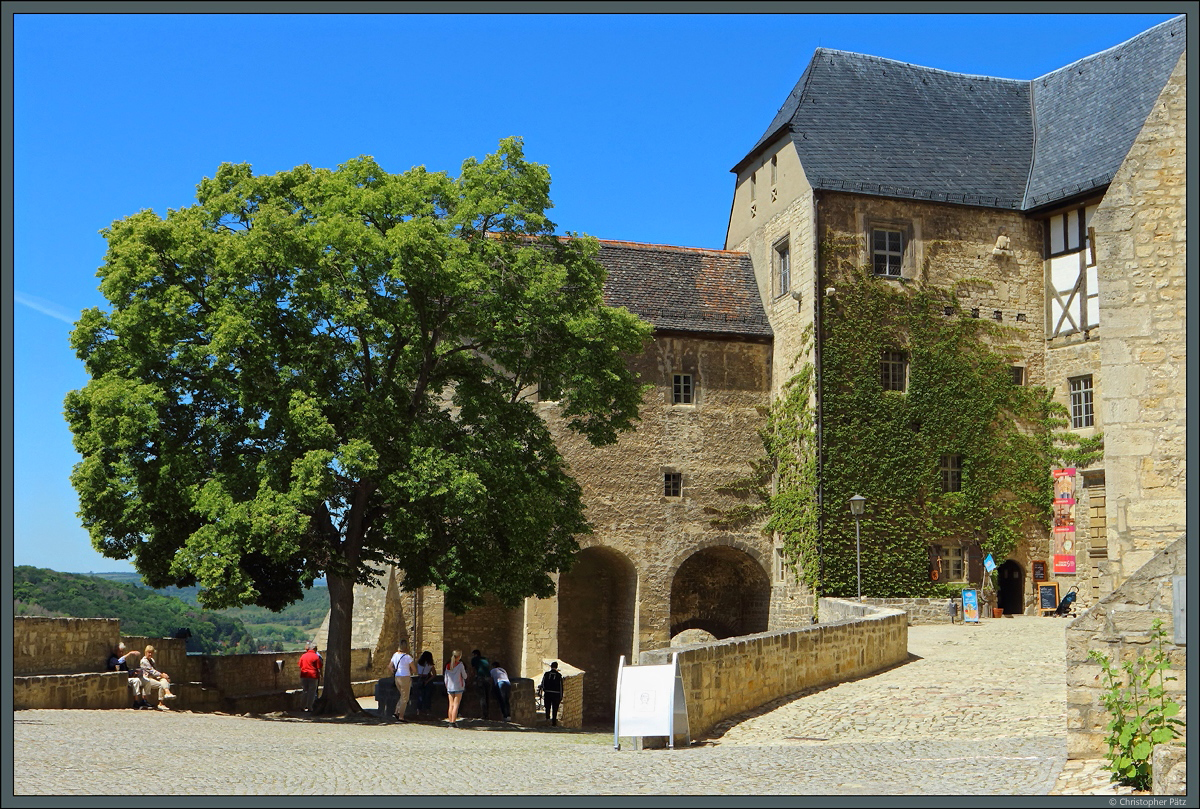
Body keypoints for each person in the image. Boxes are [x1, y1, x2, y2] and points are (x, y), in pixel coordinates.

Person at [140, 645, 176, 711]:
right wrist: (162, 675)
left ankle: (167, 693)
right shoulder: (144, 661)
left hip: (153, 678)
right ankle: (161, 702)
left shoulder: (152, 660)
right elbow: (152, 671)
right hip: (146, 679)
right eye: (149, 652)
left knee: (164, 680)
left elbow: (156, 672)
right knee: (161, 684)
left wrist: (164, 677)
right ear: (145, 652)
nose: (150, 654)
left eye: (151, 652)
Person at [389, 640, 416, 722]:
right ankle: (401, 716)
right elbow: (414, 669)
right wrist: (409, 671)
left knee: (402, 696)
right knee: (405, 698)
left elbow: (390, 666)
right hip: (405, 677)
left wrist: (394, 672)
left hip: (397, 677)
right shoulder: (408, 657)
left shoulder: (395, 655)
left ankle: (396, 712)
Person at [443, 650, 466, 727]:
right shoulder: (460, 665)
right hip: (458, 685)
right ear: (459, 657)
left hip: (450, 686)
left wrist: (447, 686)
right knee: (456, 704)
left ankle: (450, 721)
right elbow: (464, 675)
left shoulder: (448, 666)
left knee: (451, 705)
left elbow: (445, 677)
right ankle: (453, 721)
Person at [298, 641, 322, 712]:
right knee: (312, 691)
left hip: (304, 675)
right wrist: (321, 675)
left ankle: (302, 706)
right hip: (313, 676)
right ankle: (309, 706)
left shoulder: (303, 656)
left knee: (305, 691)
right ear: (314, 649)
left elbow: (300, 665)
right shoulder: (316, 657)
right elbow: (319, 667)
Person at [539, 661, 564, 726]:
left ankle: (547, 719)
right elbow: (561, 687)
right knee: (555, 708)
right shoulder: (559, 675)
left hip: (547, 693)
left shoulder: (546, 674)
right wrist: (561, 696)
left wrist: (544, 690)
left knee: (547, 707)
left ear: (551, 666)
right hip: (556, 694)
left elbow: (543, 683)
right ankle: (554, 722)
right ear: (557, 667)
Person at [413, 651, 436, 717]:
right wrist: (428, 681)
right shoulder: (430, 664)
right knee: (427, 696)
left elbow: (416, 671)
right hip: (427, 679)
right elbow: (434, 674)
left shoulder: (418, 663)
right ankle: (427, 710)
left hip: (420, 679)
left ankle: (419, 710)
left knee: (420, 695)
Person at [470, 649, 491, 719]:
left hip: (481, 678)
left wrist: (472, 679)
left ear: (475, 655)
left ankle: (484, 715)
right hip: (488, 678)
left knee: (482, 697)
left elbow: (473, 670)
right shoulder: (485, 659)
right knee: (487, 696)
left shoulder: (474, 659)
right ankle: (487, 714)